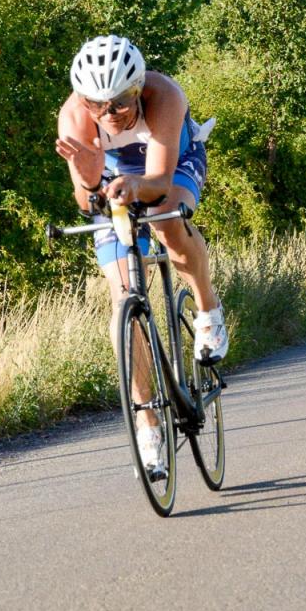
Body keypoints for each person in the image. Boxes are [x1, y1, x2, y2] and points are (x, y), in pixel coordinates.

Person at [55, 34, 228, 475]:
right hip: (113, 178)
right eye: (97, 105)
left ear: (138, 89)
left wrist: (137, 187)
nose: (109, 113)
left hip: (172, 162)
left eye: (120, 102)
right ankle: (147, 424)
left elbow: (158, 182)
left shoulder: (164, 95)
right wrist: (90, 182)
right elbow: (86, 202)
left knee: (166, 221)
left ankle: (208, 309)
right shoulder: (74, 117)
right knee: (124, 298)